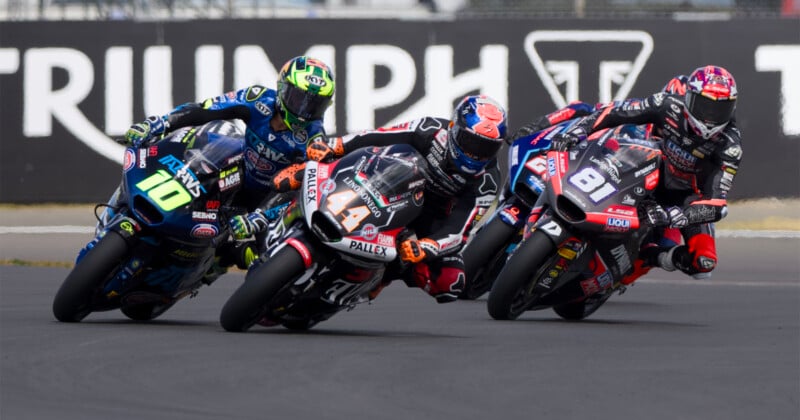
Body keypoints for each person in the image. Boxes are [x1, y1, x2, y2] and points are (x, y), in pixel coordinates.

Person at [242, 95, 507, 303]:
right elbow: (378, 135)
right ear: (453, 128)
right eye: (471, 142)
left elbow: (460, 228)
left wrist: (428, 246)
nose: (476, 154)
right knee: (303, 170)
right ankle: (271, 214)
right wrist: (336, 146)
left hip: (426, 223)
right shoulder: (430, 129)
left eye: (486, 148)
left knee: (450, 283)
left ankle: (381, 276)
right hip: (389, 182)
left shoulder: (487, 181)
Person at [122, 55, 336, 275]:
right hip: (237, 176)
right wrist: (161, 123)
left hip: (269, 200)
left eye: (314, 104)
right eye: (299, 98)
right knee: (205, 151)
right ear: (282, 89)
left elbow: (301, 188)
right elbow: (206, 109)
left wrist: (262, 216)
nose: (304, 111)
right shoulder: (258, 99)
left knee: (257, 257)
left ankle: (211, 269)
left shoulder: (314, 138)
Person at [551, 65, 742, 278]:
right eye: (705, 107)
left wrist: (679, 215)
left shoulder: (730, 146)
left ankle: (651, 257)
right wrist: (580, 130)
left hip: (685, 200)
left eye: (720, 109)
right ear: (689, 99)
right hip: (649, 174)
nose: (710, 117)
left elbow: (717, 205)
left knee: (704, 263)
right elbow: (614, 113)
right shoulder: (667, 105)